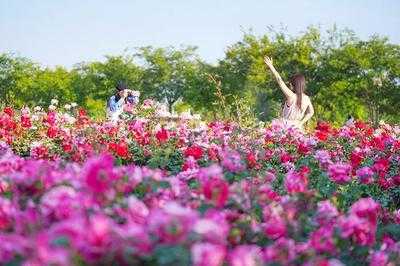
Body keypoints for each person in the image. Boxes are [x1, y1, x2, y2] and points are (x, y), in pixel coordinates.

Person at [264, 56, 314, 131]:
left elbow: (279, 80)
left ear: (294, 85)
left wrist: (271, 67)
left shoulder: (291, 96)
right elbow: (311, 112)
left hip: (285, 127)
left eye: (290, 84)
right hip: (298, 128)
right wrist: (301, 123)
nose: (289, 85)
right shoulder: (306, 98)